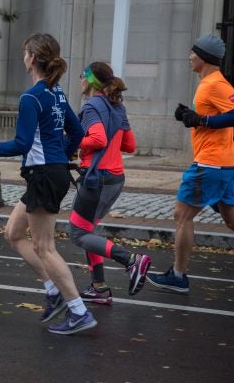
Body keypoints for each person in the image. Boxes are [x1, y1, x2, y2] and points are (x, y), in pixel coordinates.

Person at [0, 32, 96, 335]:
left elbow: (22, 143)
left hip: (43, 175)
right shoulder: (57, 94)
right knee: (13, 233)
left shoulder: (31, 97)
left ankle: (78, 310)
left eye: (25, 52)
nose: (23, 57)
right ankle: (53, 290)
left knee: (45, 247)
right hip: (49, 172)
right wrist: (59, 158)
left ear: (33, 58)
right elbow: (77, 133)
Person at [147, 34, 234, 293]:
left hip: (212, 164)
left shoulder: (215, 84)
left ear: (204, 57)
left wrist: (202, 121)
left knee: (182, 215)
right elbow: (212, 116)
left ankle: (178, 276)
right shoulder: (211, 83)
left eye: (193, 52)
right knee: (231, 219)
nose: (189, 57)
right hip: (225, 163)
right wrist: (191, 116)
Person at [69, 62, 151, 305]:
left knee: (78, 233)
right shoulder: (117, 106)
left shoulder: (92, 105)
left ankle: (131, 260)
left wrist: (73, 141)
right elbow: (130, 145)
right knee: (88, 230)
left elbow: (97, 138)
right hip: (115, 179)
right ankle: (99, 288)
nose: (79, 79)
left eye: (82, 75)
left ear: (92, 81)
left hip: (98, 179)